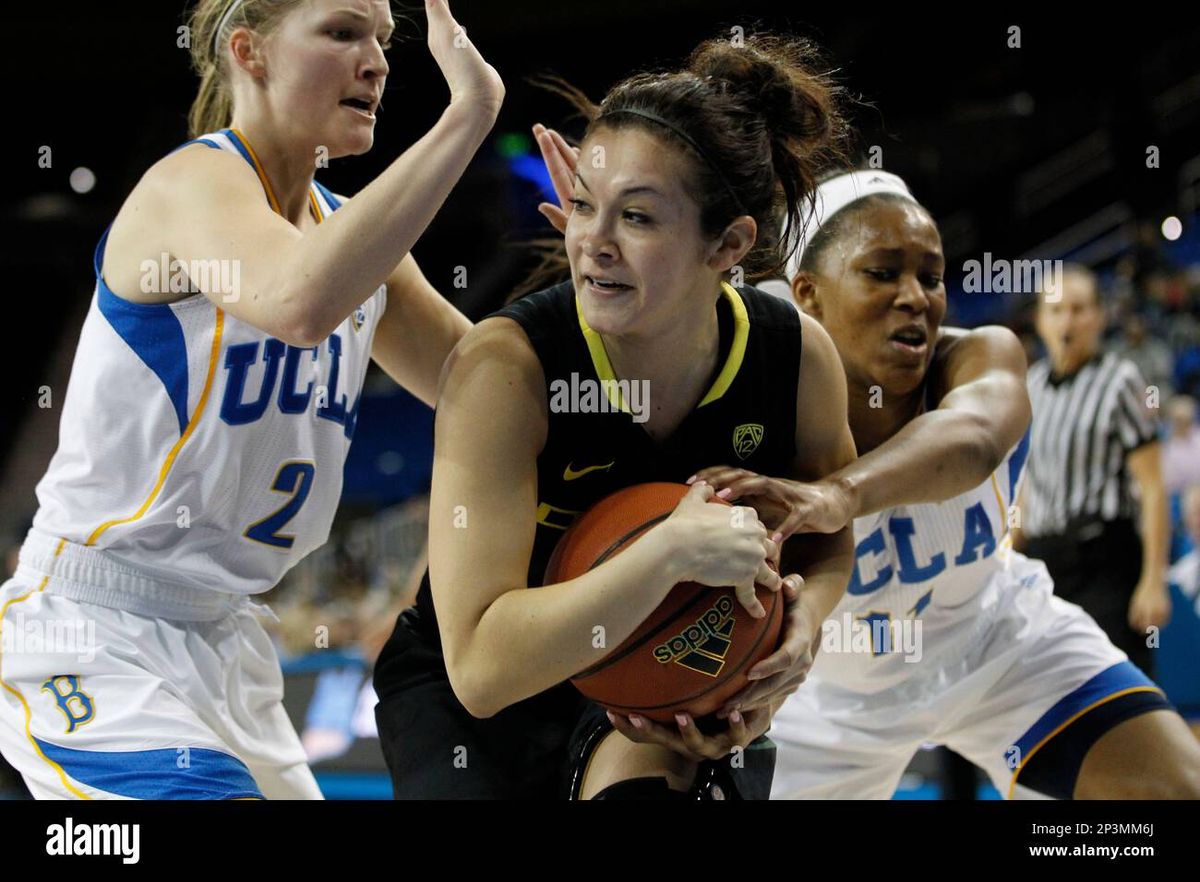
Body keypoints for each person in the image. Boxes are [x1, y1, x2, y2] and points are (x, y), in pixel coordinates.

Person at [0, 0, 503, 799]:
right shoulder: (191, 182)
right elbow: (297, 302)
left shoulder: (348, 235)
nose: (375, 61)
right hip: (97, 623)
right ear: (250, 52)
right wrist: (468, 116)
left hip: (227, 636)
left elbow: (489, 395)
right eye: (342, 33)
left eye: (383, 39)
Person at [372, 33, 858, 800]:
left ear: (727, 244)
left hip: (668, 670)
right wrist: (667, 554)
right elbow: (480, 669)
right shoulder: (506, 370)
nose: (592, 244)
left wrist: (798, 634)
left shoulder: (795, 357)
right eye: (581, 206)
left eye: (636, 217)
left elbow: (825, 541)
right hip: (482, 698)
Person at [695, 170, 1200, 798]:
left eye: (930, 276)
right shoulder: (754, 411)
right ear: (808, 295)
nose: (916, 297)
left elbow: (975, 438)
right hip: (821, 699)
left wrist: (836, 495)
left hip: (999, 646)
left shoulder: (980, 356)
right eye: (882, 272)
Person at [1021, 265, 1171, 676]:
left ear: (1099, 317)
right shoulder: (1030, 387)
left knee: (1122, 689)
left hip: (1105, 559)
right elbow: (1026, 486)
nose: (1067, 321)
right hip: (1045, 562)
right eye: (1055, 310)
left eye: (1079, 309)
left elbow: (1153, 487)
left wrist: (1153, 580)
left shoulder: (1122, 381)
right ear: (1039, 320)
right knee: (1047, 692)